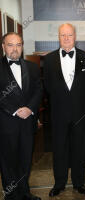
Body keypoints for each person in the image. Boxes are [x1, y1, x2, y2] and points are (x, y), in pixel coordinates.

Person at [43, 23, 85, 196]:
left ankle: (79, 183)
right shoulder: (48, 60)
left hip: (80, 113)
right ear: (58, 37)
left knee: (80, 148)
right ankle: (59, 183)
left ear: (75, 37)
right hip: (58, 113)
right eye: (63, 35)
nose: (66, 38)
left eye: (69, 35)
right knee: (59, 149)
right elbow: (47, 87)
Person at [0, 32, 42, 200]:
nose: (15, 49)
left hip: (27, 122)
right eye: (10, 45)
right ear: (3, 47)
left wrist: (30, 108)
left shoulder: (32, 67)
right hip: (6, 123)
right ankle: (11, 196)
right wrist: (16, 110)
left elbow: (38, 90)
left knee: (25, 160)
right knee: (8, 162)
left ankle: (25, 193)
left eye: (18, 44)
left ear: (22, 46)